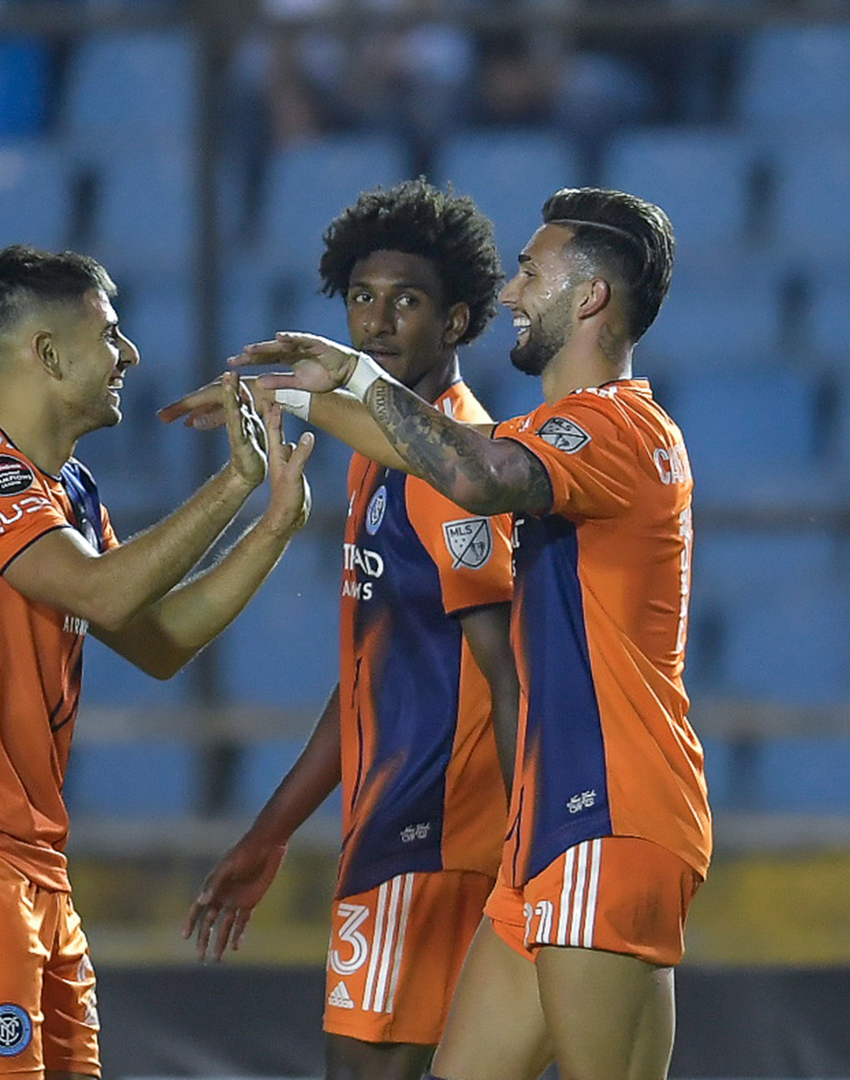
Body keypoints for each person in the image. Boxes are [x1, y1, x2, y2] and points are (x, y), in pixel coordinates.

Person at [230, 188, 709, 1080]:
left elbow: (473, 473)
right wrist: (288, 395)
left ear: (590, 297)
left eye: (532, 272)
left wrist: (358, 379)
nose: (516, 293)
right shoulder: (569, 434)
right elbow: (442, 453)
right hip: (548, 833)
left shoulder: (609, 426)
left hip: (607, 816)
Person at [0, 244, 315, 1080]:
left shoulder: (65, 492)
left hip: (29, 858)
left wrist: (275, 518)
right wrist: (232, 482)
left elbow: (158, 641)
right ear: (47, 354)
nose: (129, 354)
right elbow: (105, 595)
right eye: (110, 332)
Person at [171, 180, 521, 1080]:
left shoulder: (450, 466)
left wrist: (535, 845)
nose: (377, 321)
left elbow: (508, 667)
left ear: (456, 323)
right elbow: (375, 676)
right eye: (362, 299)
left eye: (406, 300)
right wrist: (273, 830)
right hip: (396, 832)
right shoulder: (381, 459)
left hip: (434, 839)